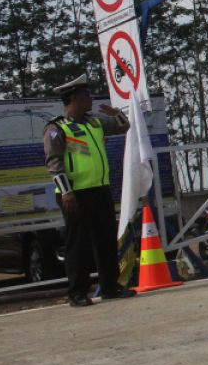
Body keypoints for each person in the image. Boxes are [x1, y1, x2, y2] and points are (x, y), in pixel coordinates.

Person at [43, 75, 137, 307]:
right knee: (78, 244)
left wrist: (116, 112)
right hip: (75, 194)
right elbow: (54, 163)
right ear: (74, 98)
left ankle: (110, 287)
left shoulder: (94, 122)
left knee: (105, 240)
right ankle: (77, 293)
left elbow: (124, 126)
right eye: (86, 96)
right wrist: (66, 191)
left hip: (99, 190)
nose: (91, 99)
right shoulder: (57, 128)